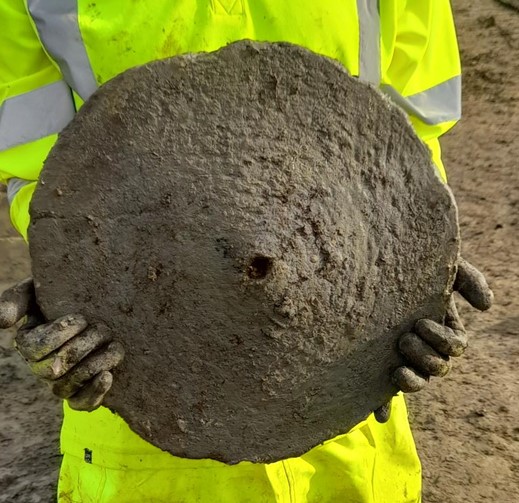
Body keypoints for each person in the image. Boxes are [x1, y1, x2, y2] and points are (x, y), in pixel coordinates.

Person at [0, 1, 493, 502]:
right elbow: (33, 162)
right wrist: (62, 274)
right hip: (143, 391)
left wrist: (424, 257)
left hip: (345, 379)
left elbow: (414, 130)